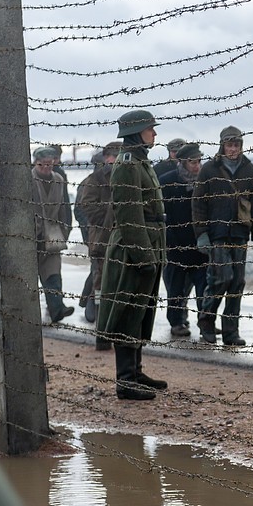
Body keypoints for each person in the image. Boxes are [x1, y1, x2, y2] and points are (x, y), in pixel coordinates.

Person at [95, 110, 168, 400]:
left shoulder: (140, 162)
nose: (155, 133)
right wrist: (144, 256)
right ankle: (126, 380)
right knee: (128, 311)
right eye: (151, 128)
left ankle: (135, 371)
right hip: (133, 248)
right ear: (138, 131)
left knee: (141, 310)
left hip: (149, 241)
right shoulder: (127, 165)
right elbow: (129, 216)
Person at [192, 126, 253, 345]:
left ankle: (231, 331)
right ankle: (206, 322)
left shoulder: (248, 168)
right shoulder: (209, 169)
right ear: (222, 145)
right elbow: (198, 203)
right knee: (221, 278)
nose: (233, 149)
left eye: (236, 145)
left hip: (240, 232)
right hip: (217, 233)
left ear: (241, 146)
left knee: (237, 282)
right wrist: (202, 234)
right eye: (229, 145)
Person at [159, 142, 208, 337]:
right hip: (176, 244)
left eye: (198, 161)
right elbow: (161, 214)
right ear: (182, 162)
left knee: (204, 288)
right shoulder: (167, 181)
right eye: (192, 162)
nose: (196, 166)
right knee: (176, 288)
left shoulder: (205, 181)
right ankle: (176, 322)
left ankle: (205, 323)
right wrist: (169, 239)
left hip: (200, 244)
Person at [76, 141, 121, 324]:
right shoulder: (91, 181)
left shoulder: (122, 177)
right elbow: (83, 210)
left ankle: (97, 307)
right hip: (98, 235)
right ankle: (93, 308)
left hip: (115, 236)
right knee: (98, 275)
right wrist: (105, 220)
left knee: (107, 274)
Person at [31, 146, 74, 324]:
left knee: (53, 275)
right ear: (35, 163)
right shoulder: (27, 179)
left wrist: (65, 231)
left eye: (50, 164)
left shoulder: (58, 179)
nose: (47, 168)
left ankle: (57, 309)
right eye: (43, 165)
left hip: (53, 236)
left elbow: (64, 207)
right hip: (30, 237)